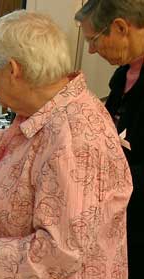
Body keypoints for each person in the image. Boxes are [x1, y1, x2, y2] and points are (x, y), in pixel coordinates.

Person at [0, 10, 132, 278]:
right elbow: (25, 148)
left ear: (12, 70)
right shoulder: (51, 110)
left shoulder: (73, 138)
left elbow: (59, 253)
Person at [75, 1, 144, 277]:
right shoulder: (122, 77)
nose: (91, 50)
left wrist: (106, 182)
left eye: (93, 39)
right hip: (121, 211)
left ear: (120, 27)